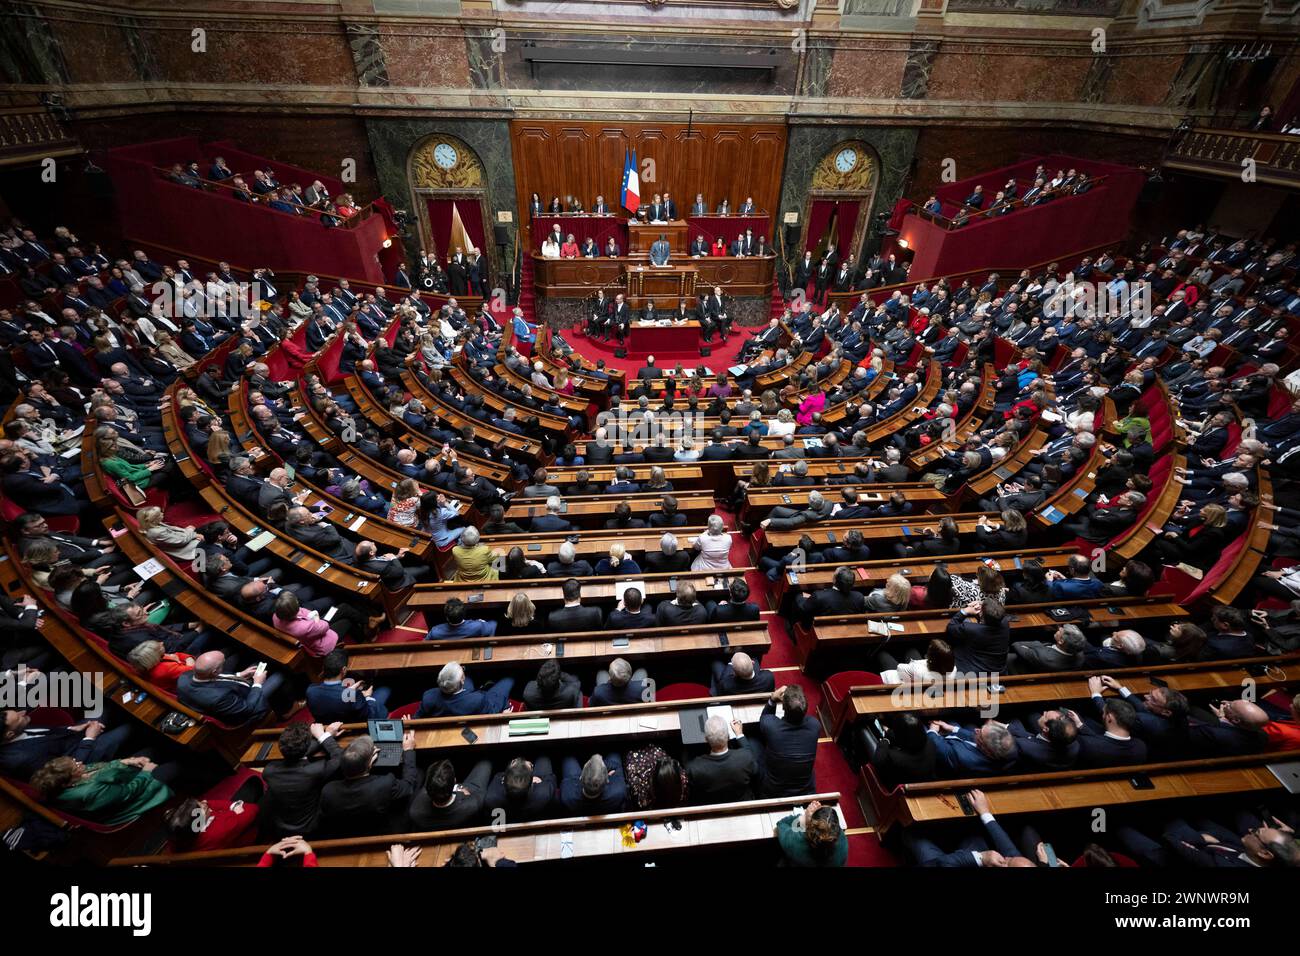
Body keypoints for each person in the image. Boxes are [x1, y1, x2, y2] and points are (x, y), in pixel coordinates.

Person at [318, 731, 420, 837]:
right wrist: (408, 751)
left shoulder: (328, 790)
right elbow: (408, 785)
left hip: (344, 833)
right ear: (371, 763)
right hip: (382, 831)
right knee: (418, 774)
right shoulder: (385, 784)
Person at [752, 684, 819, 796]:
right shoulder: (815, 725)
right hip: (804, 789)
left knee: (753, 742)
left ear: (783, 707)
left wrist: (773, 699)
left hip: (773, 789)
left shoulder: (771, 726)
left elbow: (764, 718)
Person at [687, 715, 759, 804]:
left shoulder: (694, 768)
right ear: (728, 737)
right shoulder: (745, 757)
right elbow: (754, 767)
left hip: (712, 805)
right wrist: (739, 734)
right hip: (743, 803)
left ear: (706, 739)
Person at [776, 800, 848, 867]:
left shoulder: (794, 842)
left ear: (811, 826)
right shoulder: (843, 842)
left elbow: (782, 824)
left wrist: (803, 818)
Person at [559, 753, 626, 814]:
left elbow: (568, 780)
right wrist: (599, 768)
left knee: (568, 757)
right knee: (614, 754)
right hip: (609, 805)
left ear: (581, 777)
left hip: (575, 788)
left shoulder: (567, 795)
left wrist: (594, 768)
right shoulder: (619, 791)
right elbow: (617, 767)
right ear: (607, 780)